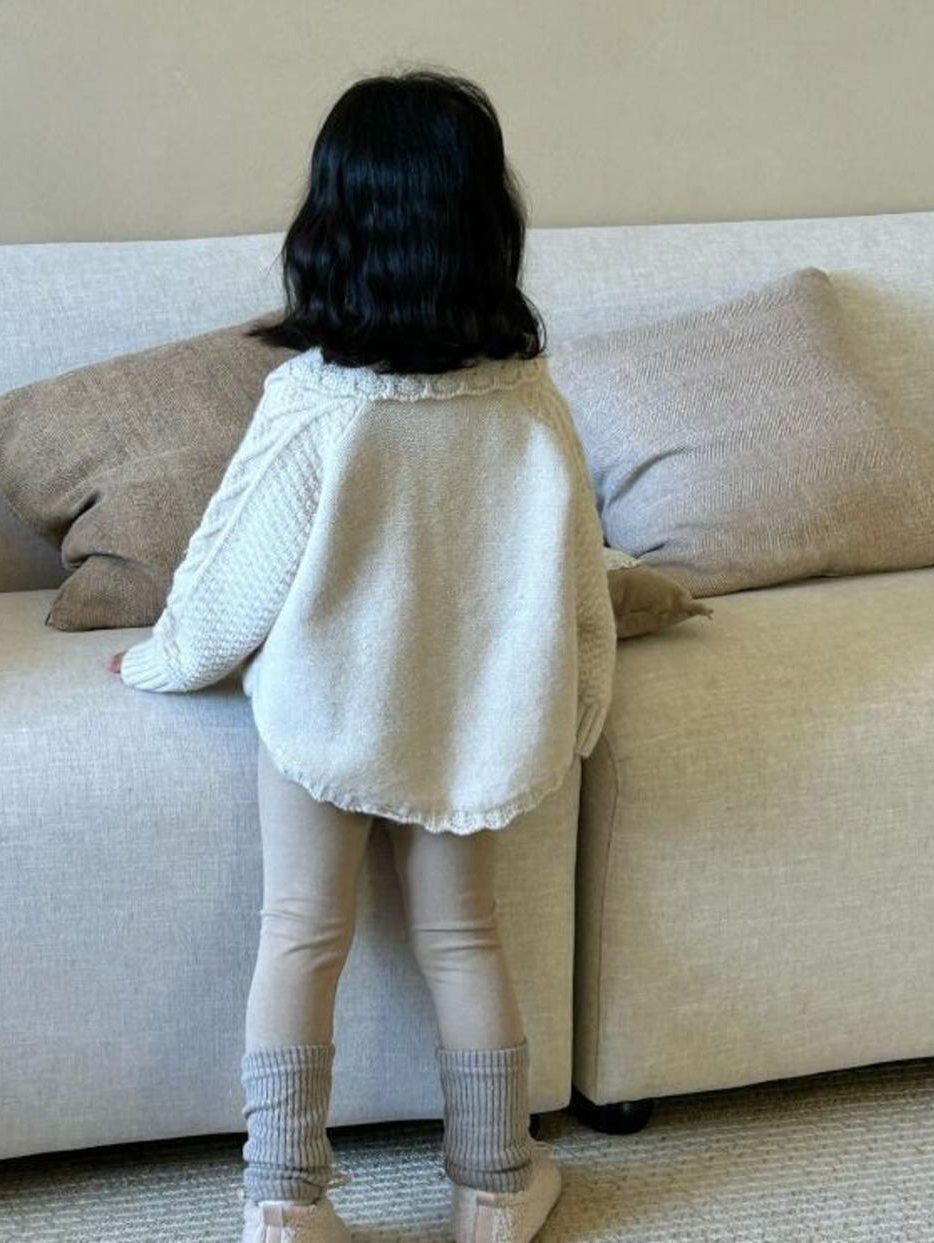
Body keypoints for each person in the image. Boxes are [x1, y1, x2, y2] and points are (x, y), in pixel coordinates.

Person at [108, 66, 616, 1243]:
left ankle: (285, 1203)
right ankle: (495, 1188)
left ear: (331, 224)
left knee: (299, 933)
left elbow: (232, 575)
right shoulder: (527, 402)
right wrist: (582, 703)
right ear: (483, 224)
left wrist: (160, 659)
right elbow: (575, 576)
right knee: (464, 939)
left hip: (324, 712)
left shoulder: (313, 398)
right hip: (470, 716)